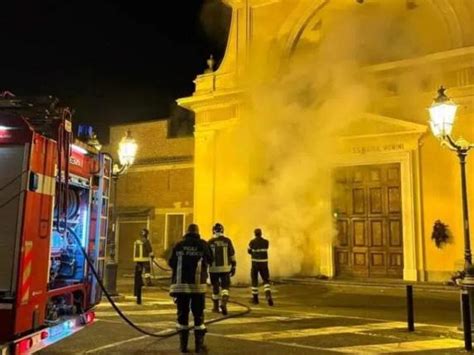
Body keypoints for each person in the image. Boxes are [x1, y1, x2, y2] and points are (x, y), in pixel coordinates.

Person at [168, 224, 212, 353]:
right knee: (198, 316)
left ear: (186, 232)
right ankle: (198, 346)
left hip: (181, 286)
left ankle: (183, 346)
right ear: (197, 232)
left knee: (182, 315)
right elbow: (210, 259)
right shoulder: (203, 244)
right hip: (198, 287)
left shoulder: (179, 245)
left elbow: (171, 262)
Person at [208, 223, 236, 315]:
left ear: (213, 231)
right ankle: (223, 303)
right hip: (225, 269)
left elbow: (207, 256)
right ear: (222, 231)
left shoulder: (210, 242)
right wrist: (234, 266)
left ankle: (215, 307)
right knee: (225, 287)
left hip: (213, 269)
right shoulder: (227, 241)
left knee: (215, 288)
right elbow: (232, 254)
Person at [248, 228, 274, 306]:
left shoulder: (252, 242)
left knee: (254, 280)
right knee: (266, 280)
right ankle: (268, 295)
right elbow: (266, 248)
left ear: (255, 234)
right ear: (261, 233)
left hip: (255, 264)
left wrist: (253, 252)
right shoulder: (266, 242)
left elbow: (249, 251)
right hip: (264, 264)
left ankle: (255, 299)